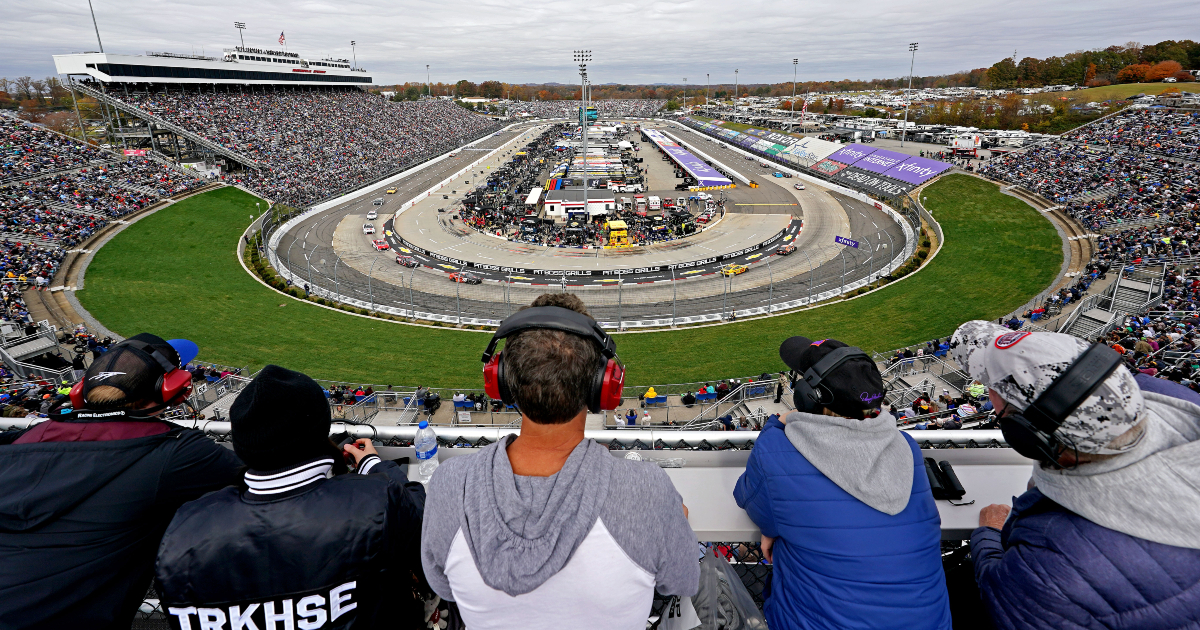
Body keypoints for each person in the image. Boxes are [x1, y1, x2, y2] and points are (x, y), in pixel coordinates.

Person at [422, 294, 698, 629]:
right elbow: (684, 581)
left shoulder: (450, 485)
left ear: (503, 381)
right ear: (603, 385)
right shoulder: (647, 491)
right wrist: (668, 517)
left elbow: (442, 586)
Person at [950, 321, 1200, 630]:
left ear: (1027, 436)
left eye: (997, 393)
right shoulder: (1173, 398)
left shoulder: (1054, 566)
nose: (989, 394)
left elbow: (997, 592)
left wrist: (988, 535)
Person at [154, 365, 429, 629]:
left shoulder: (184, 528)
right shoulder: (376, 500)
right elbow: (423, 517)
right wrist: (372, 464)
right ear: (319, 431)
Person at [0, 334, 243, 629]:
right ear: (174, 389)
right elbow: (263, 477)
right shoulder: (176, 453)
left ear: (80, 390)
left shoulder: (17, 442)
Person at [734, 336, 950, 630]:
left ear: (808, 396)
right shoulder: (906, 447)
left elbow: (747, 496)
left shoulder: (778, 450)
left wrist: (777, 423)